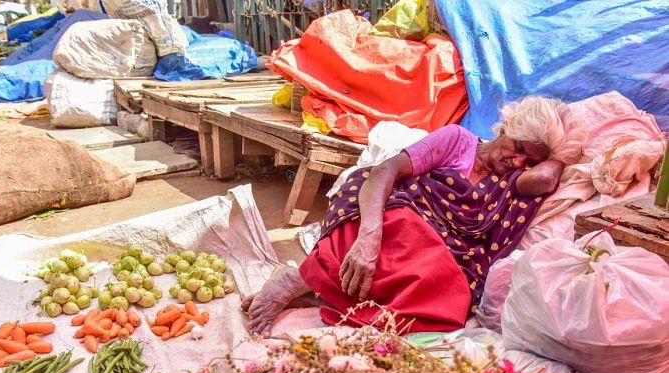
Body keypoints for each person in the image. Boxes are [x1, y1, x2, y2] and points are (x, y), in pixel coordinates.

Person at [243, 96, 587, 336]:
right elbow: (384, 173)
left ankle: (319, 288)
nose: (518, 162)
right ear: (508, 127)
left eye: (530, 161)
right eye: (520, 148)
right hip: (399, 223)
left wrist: (554, 156)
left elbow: (544, 179)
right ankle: (295, 281)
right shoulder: (458, 141)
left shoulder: (515, 179)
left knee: (452, 302)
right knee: (395, 234)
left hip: (440, 252)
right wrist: (370, 236)